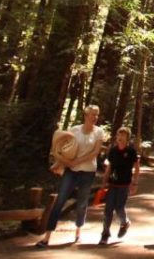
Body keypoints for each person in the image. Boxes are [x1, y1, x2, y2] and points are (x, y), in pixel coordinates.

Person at [36, 105, 107, 248]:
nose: (95, 117)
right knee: (60, 200)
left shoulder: (99, 132)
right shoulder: (74, 130)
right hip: (71, 171)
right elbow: (64, 147)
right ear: (86, 115)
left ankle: (78, 231)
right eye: (92, 114)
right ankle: (47, 237)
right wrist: (60, 162)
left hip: (88, 171)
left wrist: (77, 161)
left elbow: (95, 152)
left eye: (97, 115)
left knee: (82, 203)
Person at [99, 126, 140, 244]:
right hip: (112, 184)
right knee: (108, 210)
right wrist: (103, 182)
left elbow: (137, 168)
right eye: (119, 135)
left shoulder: (131, 151)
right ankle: (105, 234)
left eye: (123, 135)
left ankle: (125, 223)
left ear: (127, 138)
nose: (120, 137)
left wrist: (135, 183)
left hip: (124, 185)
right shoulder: (113, 150)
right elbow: (109, 167)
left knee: (119, 208)